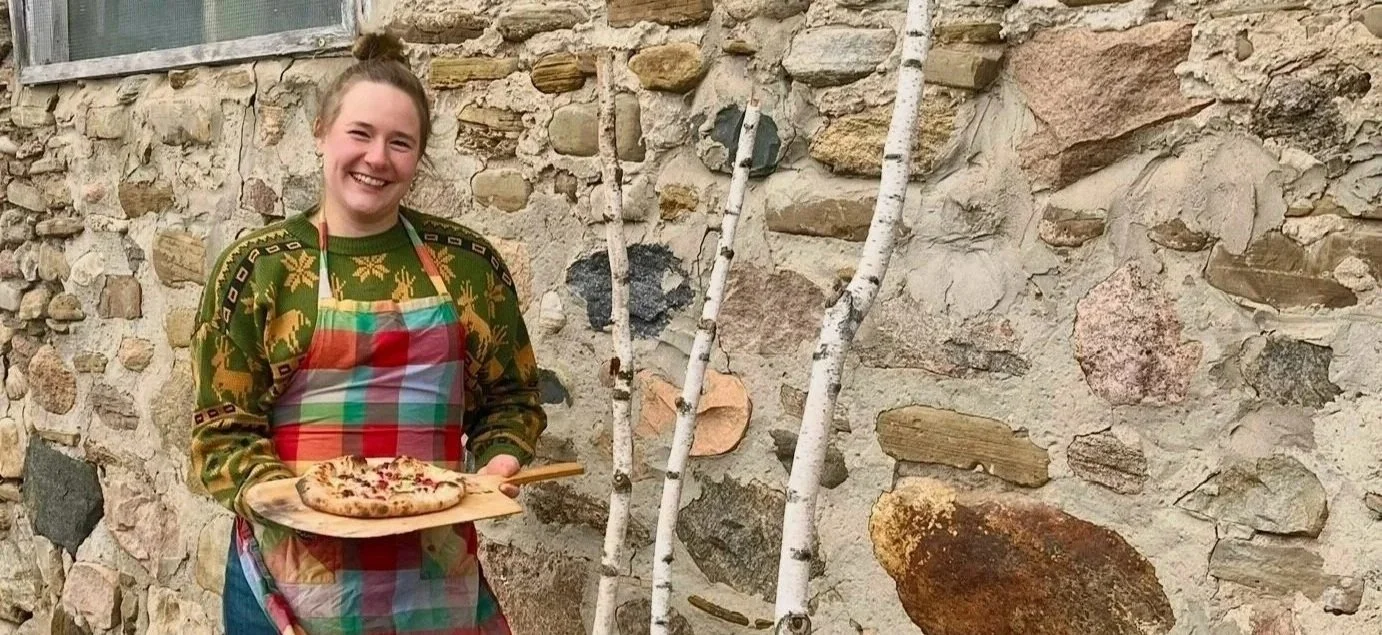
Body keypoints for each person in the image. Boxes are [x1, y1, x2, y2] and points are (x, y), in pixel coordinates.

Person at [190, 32, 546, 635]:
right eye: (360, 133)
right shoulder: (257, 269)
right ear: (321, 133)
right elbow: (222, 431)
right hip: (286, 577)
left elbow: (512, 400)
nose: (377, 158)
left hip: (432, 574)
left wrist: (498, 465)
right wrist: (310, 504)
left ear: (419, 156)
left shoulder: (468, 265)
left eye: (400, 142)